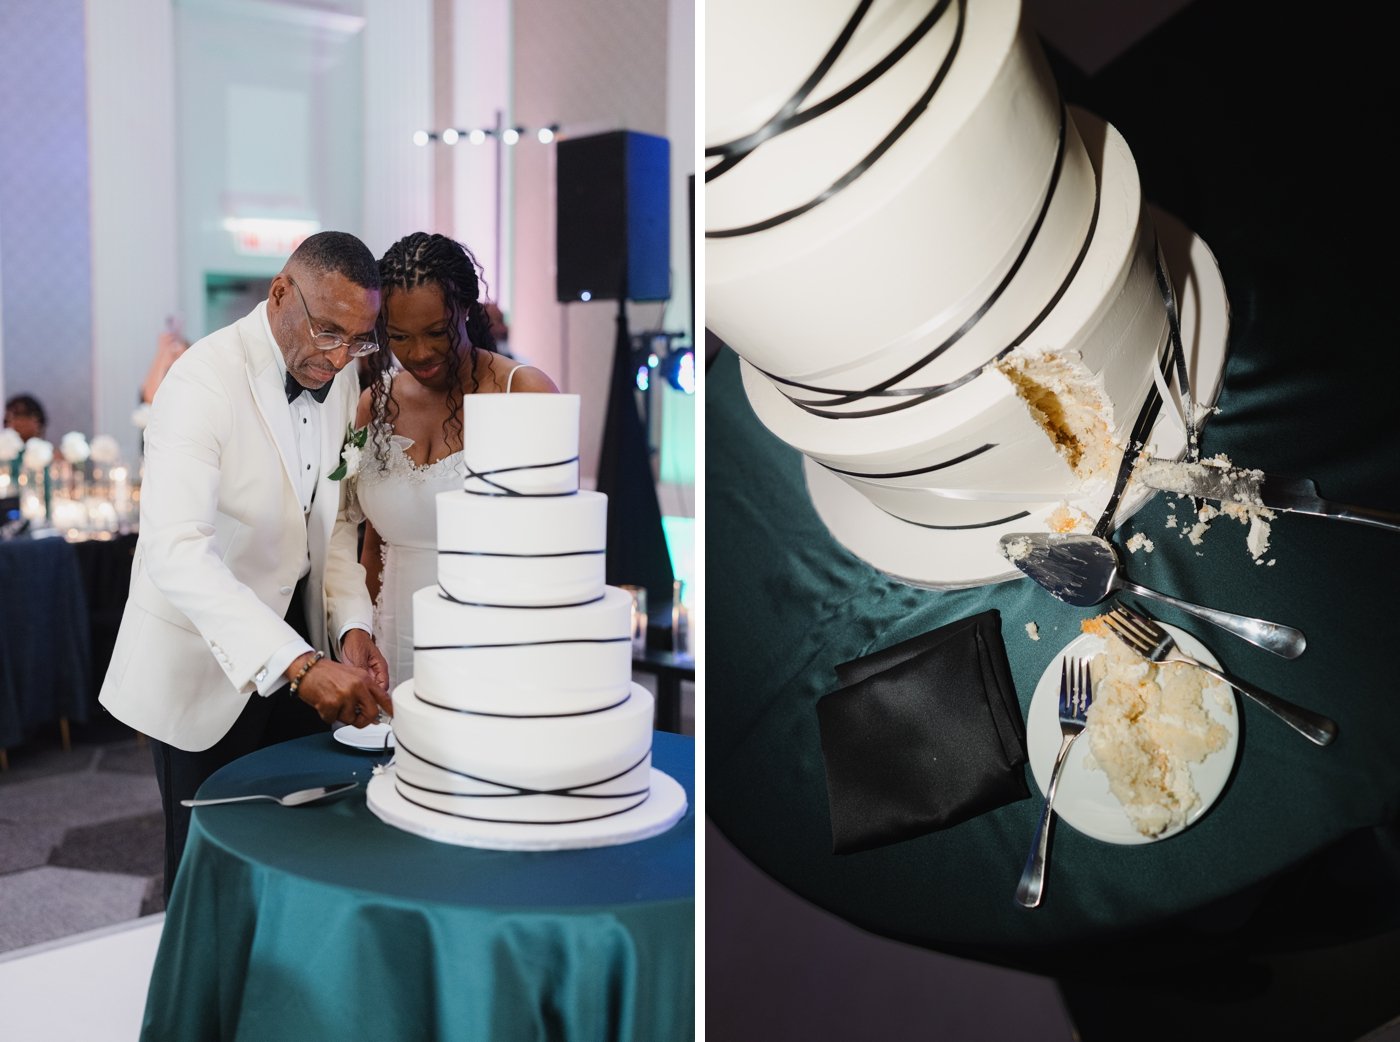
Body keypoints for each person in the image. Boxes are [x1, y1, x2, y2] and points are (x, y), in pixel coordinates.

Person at [98, 230, 393, 901]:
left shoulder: (340, 378)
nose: (341, 354)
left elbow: (337, 523)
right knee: (209, 872)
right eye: (327, 331)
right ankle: (197, 1006)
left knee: (300, 855)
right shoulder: (201, 380)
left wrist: (351, 628)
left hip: (301, 650)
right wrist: (301, 666)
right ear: (281, 292)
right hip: (210, 664)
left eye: (359, 338)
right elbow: (176, 550)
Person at [352, 231, 557, 686]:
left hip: (492, 642)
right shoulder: (374, 404)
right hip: (391, 642)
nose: (419, 353)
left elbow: (554, 546)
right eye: (399, 336)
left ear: (465, 309)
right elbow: (371, 546)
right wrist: (358, 637)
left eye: (435, 333)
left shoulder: (524, 392)